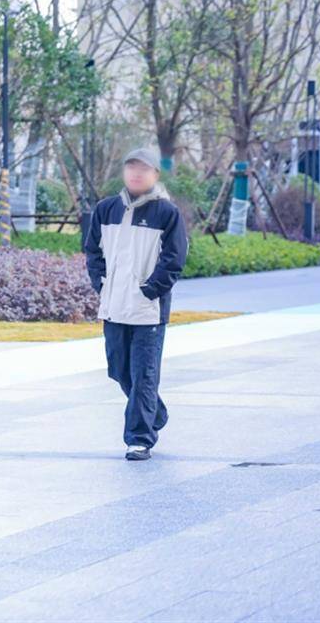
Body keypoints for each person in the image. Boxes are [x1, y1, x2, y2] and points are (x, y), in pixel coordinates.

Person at [83, 148, 188, 461]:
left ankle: (139, 439)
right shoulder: (106, 209)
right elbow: (93, 251)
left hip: (148, 310)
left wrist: (151, 290)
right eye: (131, 167)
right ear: (124, 172)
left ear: (155, 174)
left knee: (143, 375)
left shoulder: (166, 213)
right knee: (119, 370)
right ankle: (155, 412)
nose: (136, 173)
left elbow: (174, 258)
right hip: (114, 306)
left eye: (144, 169)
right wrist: (102, 283)